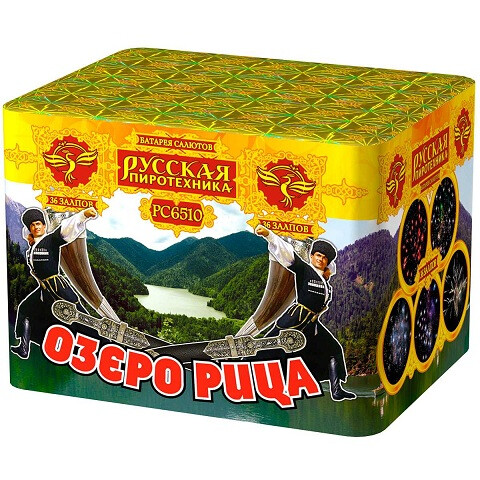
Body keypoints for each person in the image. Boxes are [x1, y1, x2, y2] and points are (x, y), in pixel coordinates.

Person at [255, 225, 356, 401]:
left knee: (334, 350)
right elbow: (288, 254)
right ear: (311, 256)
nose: (321, 259)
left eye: (324, 258)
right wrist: (269, 235)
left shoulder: (325, 281)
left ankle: (336, 390)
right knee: (271, 348)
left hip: (312, 324)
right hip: (296, 319)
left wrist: (327, 271)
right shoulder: (304, 269)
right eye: (318, 255)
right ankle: (248, 375)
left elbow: (332, 268)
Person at [10, 207, 98, 359]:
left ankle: (101, 344)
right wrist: (30, 240)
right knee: (25, 309)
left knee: (78, 318)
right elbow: (27, 237)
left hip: (57, 287)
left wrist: (83, 215)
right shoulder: (33, 246)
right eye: (32, 225)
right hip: (44, 289)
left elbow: (65, 228)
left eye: (38, 224)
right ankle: (24, 348)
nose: (36, 227)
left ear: (44, 226)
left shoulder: (51, 240)